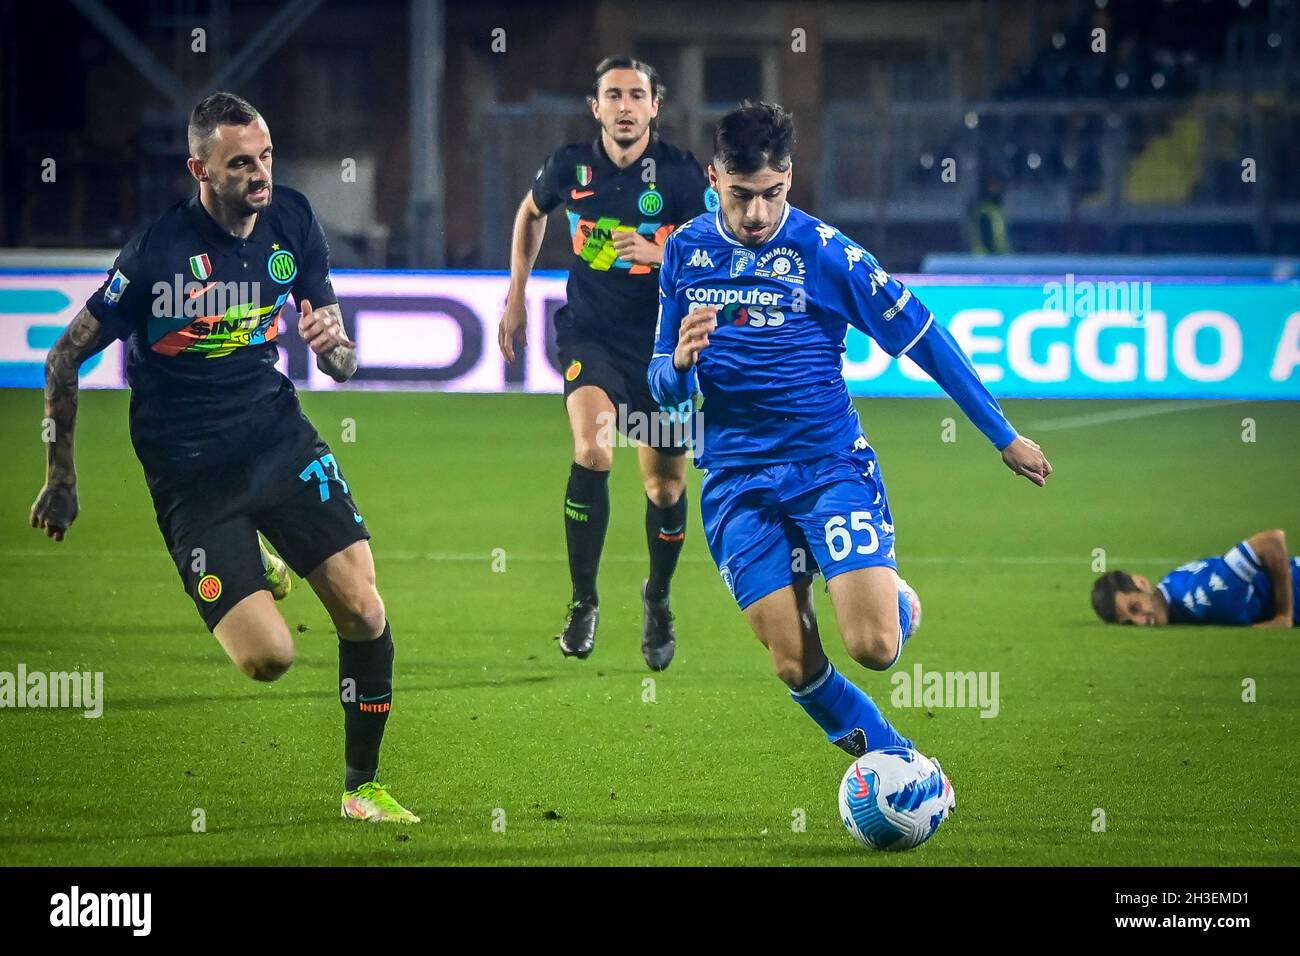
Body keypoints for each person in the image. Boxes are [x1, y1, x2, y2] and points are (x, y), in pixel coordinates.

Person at [29, 92, 418, 823]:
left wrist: (330, 349)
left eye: (265, 156)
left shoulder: (295, 221)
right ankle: (255, 555)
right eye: (240, 163)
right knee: (268, 659)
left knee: (365, 610)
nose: (259, 174)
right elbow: (62, 359)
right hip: (191, 475)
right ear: (200, 169)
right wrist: (61, 478)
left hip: (277, 440)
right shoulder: (156, 255)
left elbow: (340, 358)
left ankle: (360, 786)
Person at [649, 102, 1052, 765]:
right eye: (743, 195)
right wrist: (680, 365)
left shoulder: (825, 253)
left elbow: (924, 336)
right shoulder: (685, 251)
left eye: (773, 194)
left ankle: (894, 602)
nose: (757, 214)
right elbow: (661, 378)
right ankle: (900, 766)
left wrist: (1000, 433)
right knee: (793, 662)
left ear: (790, 178)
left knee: (873, 648)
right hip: (734, 482)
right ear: (716, 177)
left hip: (827, 467)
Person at [498, 55, 712, 670]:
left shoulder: (677, 173)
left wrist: (659, 246)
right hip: (590, 336)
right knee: (593, 451)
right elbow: (530, 214)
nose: (624, 105)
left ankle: (659, 598)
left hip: (661, 351)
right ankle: (583, 600)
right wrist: (516, 297)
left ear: (654, 107)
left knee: (664, 488)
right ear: (596, 107)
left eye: (635, 95)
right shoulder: (571, 167)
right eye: (612, 95)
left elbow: (719, 245)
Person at [1091, 530, 1297, 628]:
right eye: (1130, 623)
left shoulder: (1199, 593)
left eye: (1135, 608)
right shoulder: (1172, 588)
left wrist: (1283, 615)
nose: (1140, 622)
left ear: (1142, 583)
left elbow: (1271, 541)